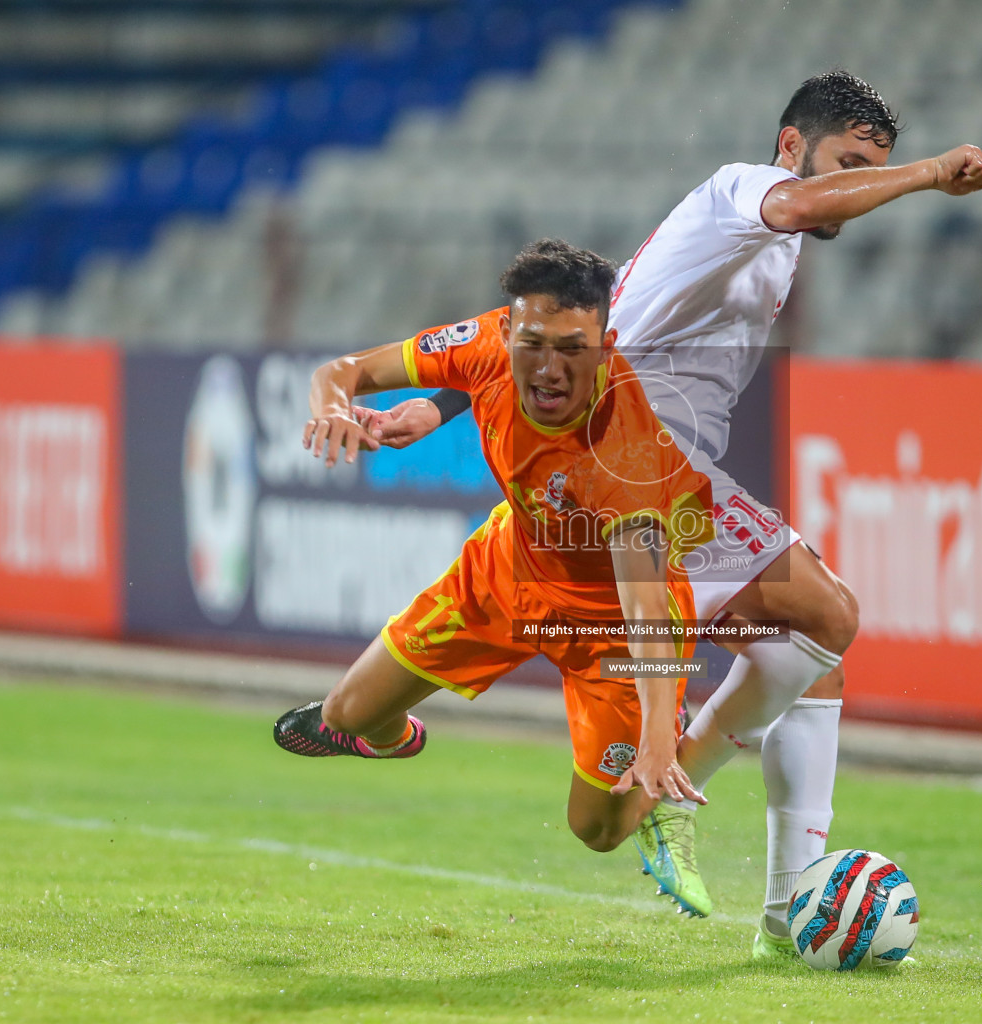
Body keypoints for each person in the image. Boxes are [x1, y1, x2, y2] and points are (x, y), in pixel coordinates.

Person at [357, 72, 982, 956]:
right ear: (790, 146)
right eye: (848, 163)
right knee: (824, 617)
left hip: (650, 480)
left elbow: (594, 330)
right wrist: (929, 175)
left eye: (873, 167)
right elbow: (782, 213)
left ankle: (781, 917)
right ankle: (671, 786)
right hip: (632, 480)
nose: (854, 188)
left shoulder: (738, 236)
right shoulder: (744, 191)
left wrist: (441, 407)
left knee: (809, 658)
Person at [273, 239, 824, 868]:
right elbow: (339, 372)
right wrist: (334, 411)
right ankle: (392, 736)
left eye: (572, 350)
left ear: (606, 348)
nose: (548, 369)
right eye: (532, 344)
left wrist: (654, 738)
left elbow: (646, 611)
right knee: (349, 715)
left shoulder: (626, 455)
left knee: (597, 829)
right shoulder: (482, 342)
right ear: (507, 330)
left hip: (607, 623)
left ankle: (667, 732)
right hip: (507, 571)